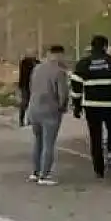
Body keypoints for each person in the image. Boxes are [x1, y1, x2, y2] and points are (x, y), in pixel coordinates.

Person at [69, 34, 111, 179]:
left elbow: (76, 86)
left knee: (95, 137)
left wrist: (77, 107)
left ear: (92, 47)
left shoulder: (83, 63)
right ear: (105, 46)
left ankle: (99, 169)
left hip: (91, 106)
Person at [26, 45, 69, 185]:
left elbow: (31, 88)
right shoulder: (59, 72)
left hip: (34, 109)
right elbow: (63, 94)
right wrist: (62, 107)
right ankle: (44, 175)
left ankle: (35, 172)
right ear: (59, 55)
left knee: (38, 142)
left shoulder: (36, 69)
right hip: (50, 110)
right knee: (48, 144)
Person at [17, 54, 39, 127]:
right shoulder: (24, 63)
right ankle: (23, 120)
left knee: (30, 103)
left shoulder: (36, 63)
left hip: (31, 86)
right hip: (26, 85)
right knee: (25, 103)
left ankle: (28, 120)